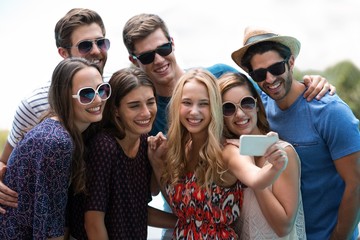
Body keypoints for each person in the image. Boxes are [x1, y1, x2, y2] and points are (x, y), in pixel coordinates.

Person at [122, 14, 335, 238]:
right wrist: (190, 218)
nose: (158, 59)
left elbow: (271, 89)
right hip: (187, 222)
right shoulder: (146, 115)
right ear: (134, 60)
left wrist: (307, 85)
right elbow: (156, 188)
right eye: (147, 56)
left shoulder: (221, 77)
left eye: (163, 48)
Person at [231, 26, 360, 240]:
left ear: (291, 62)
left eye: (277, 68)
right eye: (260, 73)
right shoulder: (257, 108)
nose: (270, 79)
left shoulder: (330, 112)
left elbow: (356, 184)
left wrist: (340, 237)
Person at [148, 68, 290, 239]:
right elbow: (182, 209)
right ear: (177, 106)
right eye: (187, 103)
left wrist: (276, 165)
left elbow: (257, 179)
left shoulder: (228, 150)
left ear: (214, 107)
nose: (194, 111)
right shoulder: (181, 149)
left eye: (203, 103)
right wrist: (156, 162)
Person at [0, 7, 111, 213]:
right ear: (63, 52)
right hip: (49, 215)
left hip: (94, 211)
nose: (96, 50)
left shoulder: (111, 89)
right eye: (85, 46)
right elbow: (5, 161)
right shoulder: (35, 103)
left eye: (101, 42)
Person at [0, 57, 110, 239]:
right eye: (87, 94)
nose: (98, 99)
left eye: (103, 89)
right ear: (65, 97)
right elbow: (49, 227)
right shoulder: (57, 142)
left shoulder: (61, 131)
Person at [67, 67, 176, 239]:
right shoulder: (104, 147)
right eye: (134, 106)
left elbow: (140, 205)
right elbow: (93, 223)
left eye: (150, 102)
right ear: (115, 110)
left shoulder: (143, 140)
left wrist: (156, 160)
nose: (146, 112)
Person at [218, 72, 306, 239]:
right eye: (228, 108)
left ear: (257, 105)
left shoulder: (282, 152)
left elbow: (283, 227)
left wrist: (256, 178)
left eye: (247, 103)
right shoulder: (228, 154)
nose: (240, 114)